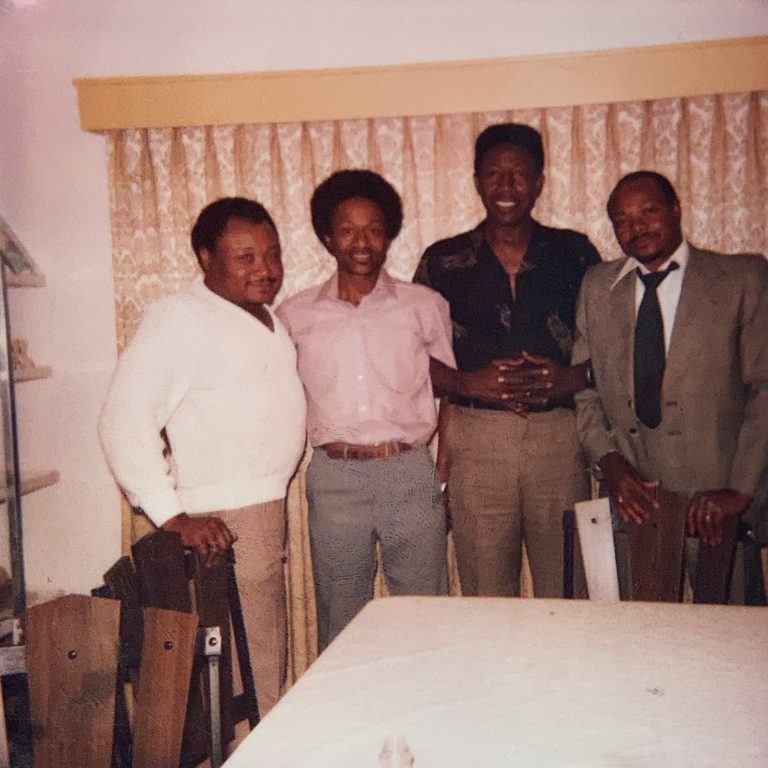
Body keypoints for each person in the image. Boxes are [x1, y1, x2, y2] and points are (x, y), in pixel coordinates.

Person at [99, 197, 306, 714]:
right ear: (205, 257)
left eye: (272, 254)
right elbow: (123, 419)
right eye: (246, 257)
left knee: (258, 664)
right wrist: (171, 516)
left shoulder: (261, 317)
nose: (265, 269)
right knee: (248, 673)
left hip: (263, 511)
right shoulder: (181, 317)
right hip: (226, 518)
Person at [414, 123, 600, 598]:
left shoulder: (575, 253)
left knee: (567, 588)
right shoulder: (443, 260)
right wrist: (468, 384)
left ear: (539, 181)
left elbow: (615, 349)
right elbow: (410, 356)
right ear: (477, 180)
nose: (506, 186)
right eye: (494, 173)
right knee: (486, 593)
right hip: (478, 441)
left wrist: (571, 378)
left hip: (560, 438)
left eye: (520, 174)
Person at [277, 170, 455, 652]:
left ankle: (425, 714)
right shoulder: (294, 316)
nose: (362, 242)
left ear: (390, 234)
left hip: (409, 472)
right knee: (342, 616)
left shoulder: (423, 305)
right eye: (348, 230)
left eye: (374, 229)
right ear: (327, 237)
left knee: (424, 611)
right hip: (335, 478)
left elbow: (450, 389)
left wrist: (441, 468)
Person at [573, 170, 768, 599]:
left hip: (716, 504)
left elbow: (763, 391)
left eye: (649, 211)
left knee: (731, 641)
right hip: (635, 501)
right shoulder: (597, 287)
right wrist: (609, 462)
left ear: (676, 209)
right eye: (622, 219)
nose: (637, 226)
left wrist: (739, 490)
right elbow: (586, 390)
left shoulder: (741, 278)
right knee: (639, 639)